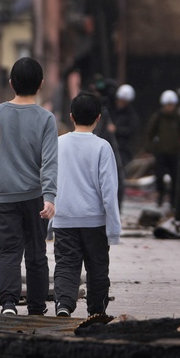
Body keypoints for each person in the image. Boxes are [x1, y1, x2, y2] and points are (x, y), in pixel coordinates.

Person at [0, 57, 58, 316]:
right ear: (41, 84)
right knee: (36, 252)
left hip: (3, 197)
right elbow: (50, 162)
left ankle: (8, 304)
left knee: (8, 252)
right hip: (35, 198)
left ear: (11, 83)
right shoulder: (46, 119)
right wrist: (50, 196)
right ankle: (36, 307)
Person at [51, 92, 121, 320]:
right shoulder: (102, 147)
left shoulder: (58, 144)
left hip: (64, 218)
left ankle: (63, 304)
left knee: (66, 266)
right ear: (98, 118)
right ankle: (97, 311)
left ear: (71, 116)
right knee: (98, 267)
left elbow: (47, 179)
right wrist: (113, 229)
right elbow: (109, 192)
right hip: (94, 221)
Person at [144, 90, 180, 210]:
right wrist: (149, 149)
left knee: (175, 177)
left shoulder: (178, 118)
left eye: (171, 105)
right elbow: (150, 133)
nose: (169, 107)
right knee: (159, 176)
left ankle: (173, 201)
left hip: (175, 152)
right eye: (167, 105)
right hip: (161, 152)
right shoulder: (158, 117)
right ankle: (160, 196)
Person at [109, 84, 141, 211]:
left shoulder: (131, 116)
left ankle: (117, 206)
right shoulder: (111, 111)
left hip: (122, 150)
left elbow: (131, 131)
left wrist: (116, 130)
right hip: (110, 147)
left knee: (118, 179)